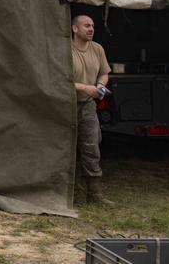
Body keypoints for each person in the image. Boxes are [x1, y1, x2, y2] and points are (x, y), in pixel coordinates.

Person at [71, 14, 114, 205]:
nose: (91, 29)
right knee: (63, 148)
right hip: (65, 104)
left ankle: (94, 195)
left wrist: (99, 85)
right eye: (86, 26)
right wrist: (84, 87)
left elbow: (104, 73)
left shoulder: (97, 48)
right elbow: (58, 79)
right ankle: (61, 192)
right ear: (74, 29)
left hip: (88, 104)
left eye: (93, 26)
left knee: (91, 148)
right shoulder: (65, 49)